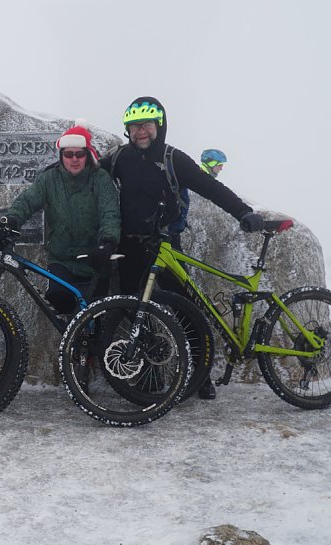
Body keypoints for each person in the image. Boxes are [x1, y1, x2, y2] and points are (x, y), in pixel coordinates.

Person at [100, 97, 263, 400]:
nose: (140, 132)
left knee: (187, 309)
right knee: (132, 311)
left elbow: (211, 188)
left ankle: (200, 375)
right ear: (127, 130)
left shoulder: (174, 158)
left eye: (146, 125)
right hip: (130, 245)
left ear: (159, 126)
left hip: (165, 245)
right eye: (134, 126)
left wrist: (243, 211)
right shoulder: (119, 157)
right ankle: (150, 376)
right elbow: (88, 174)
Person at [0, 122, 121, 314]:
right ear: (61, 155)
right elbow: (27, 201)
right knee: (58, 301)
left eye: (79, 154)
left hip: (94, 259)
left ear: (87, 154)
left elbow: (110, 213)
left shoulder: (101, 179)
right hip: (61, 259)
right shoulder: (49, 179)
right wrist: (11, 220)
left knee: (96, 317)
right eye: (68, 154)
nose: (74, 159)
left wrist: (107, 242)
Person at [166, 148, 228, 250]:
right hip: (170, 234)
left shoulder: (195, 179)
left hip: (176, 232)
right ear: (212, 163)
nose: (221, 168)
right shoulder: (196, 182)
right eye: (220, 165)